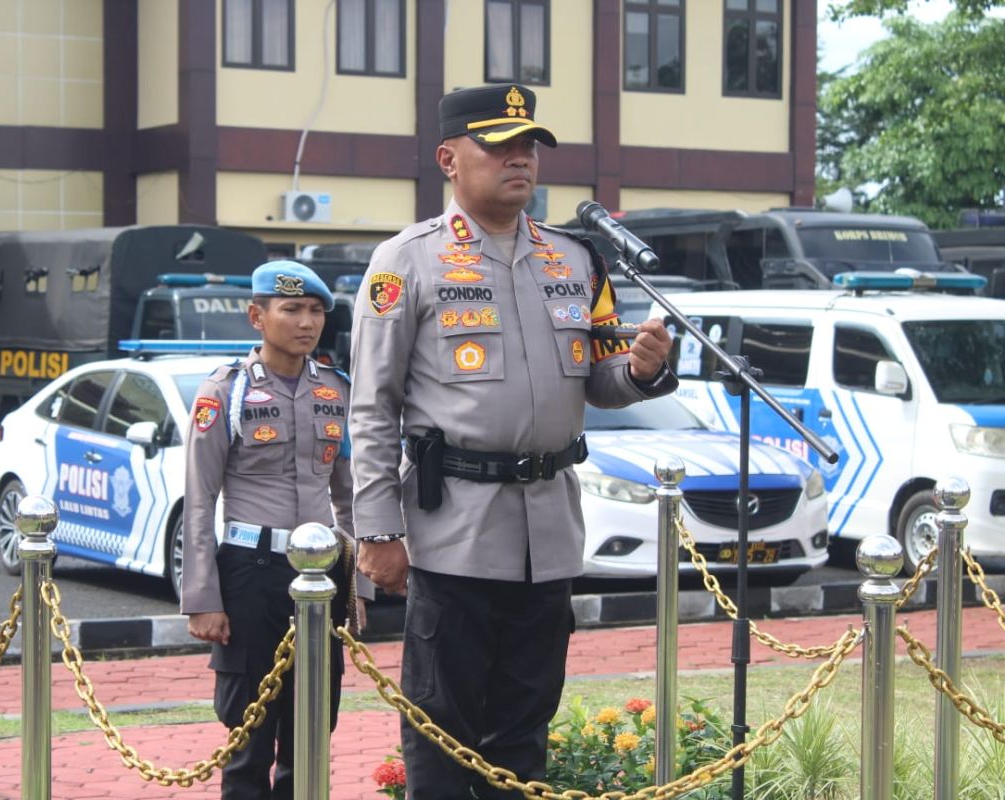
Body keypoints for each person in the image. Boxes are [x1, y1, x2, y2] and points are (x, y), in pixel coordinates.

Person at [348, 84, 678, 799]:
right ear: (448, 158)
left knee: (525, 732)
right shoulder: (405, 261)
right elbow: (371, 405)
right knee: (442, 731)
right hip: (454, 531)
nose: (520, 158)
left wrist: (642, 371)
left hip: (549, 531)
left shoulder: (574, 260)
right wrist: (376, 528)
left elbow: (598, 381)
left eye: (529, 145)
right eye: (499, 145)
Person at [180, 260, 364, 800]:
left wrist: (358, 586)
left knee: (312, 725)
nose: (306, 323)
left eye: (315, 311)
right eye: (291, 310)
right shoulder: (225, 391)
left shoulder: (335, 389)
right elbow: (199, 499)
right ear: (257, 316)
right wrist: (202, 597)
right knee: (248, 729)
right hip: (250, 573)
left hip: (323, 573)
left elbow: (349, 494)